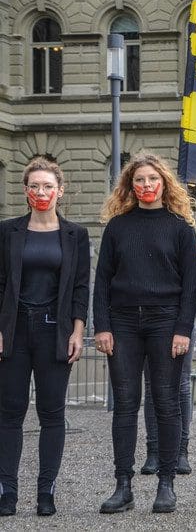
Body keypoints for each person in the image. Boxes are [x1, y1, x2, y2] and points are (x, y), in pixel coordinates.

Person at [93, 152, 196, 514]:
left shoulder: (180, 227)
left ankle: (166, 484)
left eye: (152, 179)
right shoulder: (117, 227)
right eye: (138, 180)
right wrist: (102, 326)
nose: (146, 186)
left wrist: (183, 329)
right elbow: (102, 282)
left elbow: (191, 285)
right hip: (122, 322)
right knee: (125, 405)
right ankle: (123, 485)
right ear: (129, 186)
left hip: (166, 322)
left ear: (164, 183)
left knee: (167, 403)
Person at [0, 158, 90, 517]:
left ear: (60, 191)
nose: (41, 192)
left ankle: (46, 493)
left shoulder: (75, 235)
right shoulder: (7, 231)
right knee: (9, 414)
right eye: (34, 186)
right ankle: (7, 492)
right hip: (14, 330)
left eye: (47, 186)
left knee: (52, 414)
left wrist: (79, 332)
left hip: (56, 330)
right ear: (25, 191)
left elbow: (81, 286)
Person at [140, 321, 196, 476]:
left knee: (182, 384)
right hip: (152, 317)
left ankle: (181, 452)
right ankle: (153, 451)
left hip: (182, 319)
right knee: (151, 385)